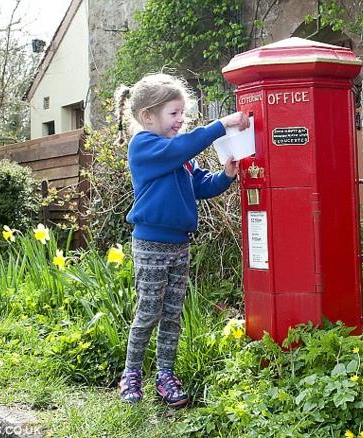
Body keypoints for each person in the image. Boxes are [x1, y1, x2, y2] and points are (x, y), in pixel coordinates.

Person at [114, 73, 249, 406]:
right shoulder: (144, 145)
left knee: (172, 314)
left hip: (179, 244)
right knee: (148, 312)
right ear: (148, 116)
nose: (181, 120)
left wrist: (226, 176)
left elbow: (201, 185)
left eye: (182, 114)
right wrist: (221, 124)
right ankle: (131, 374)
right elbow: (183, 146)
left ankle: (165, 375)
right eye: (174, 113)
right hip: (150, 244)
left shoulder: (178, 154)